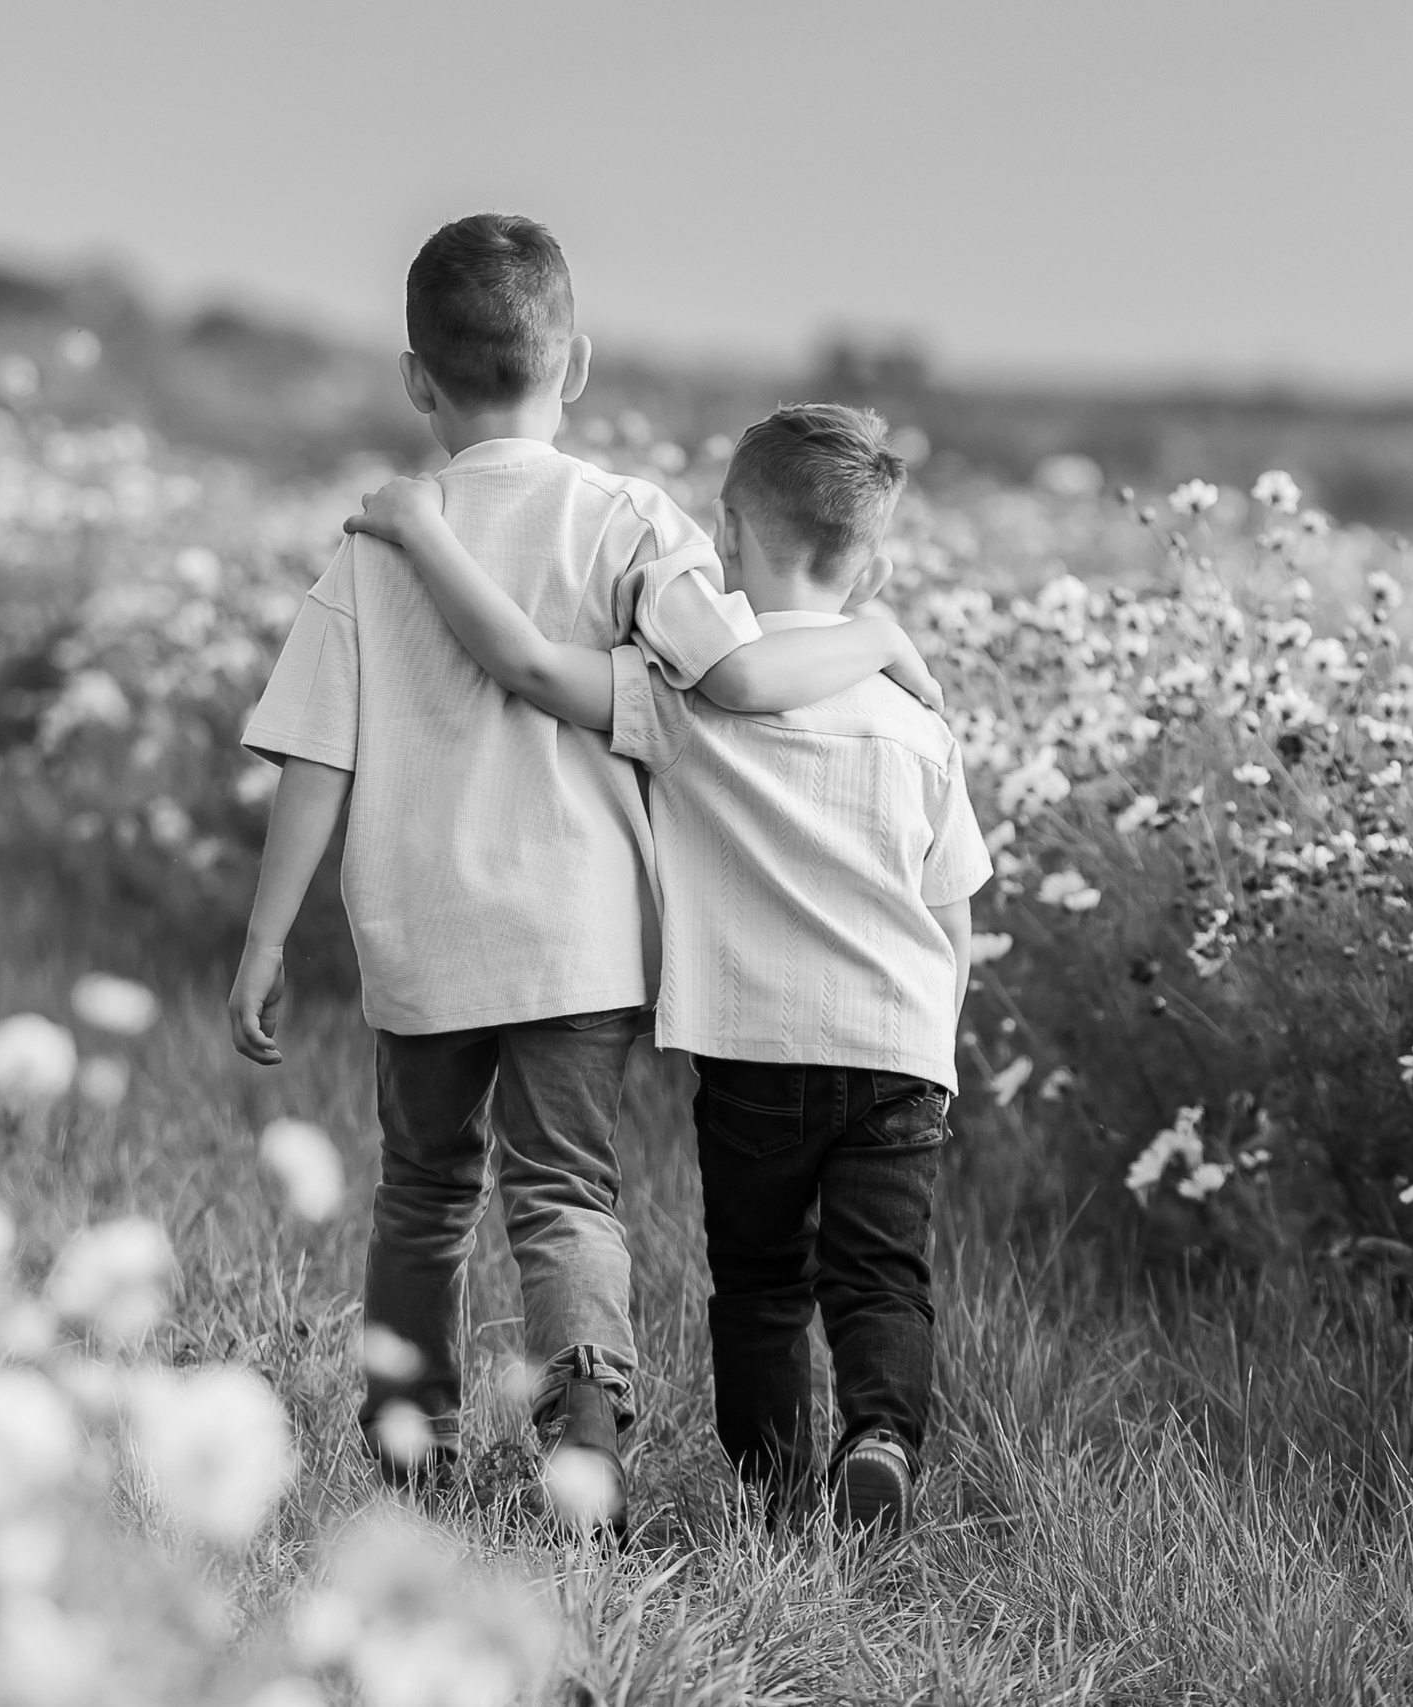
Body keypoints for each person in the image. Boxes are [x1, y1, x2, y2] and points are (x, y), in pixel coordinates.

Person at [229, 215, 939, 1532]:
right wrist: (878, 644)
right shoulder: (631, 520)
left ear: (416, 378)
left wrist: (266, 937)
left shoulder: (377, 540)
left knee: (426, 1190)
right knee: (565, 1188)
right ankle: (586, 1428)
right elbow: (740, 672)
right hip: (581, 936)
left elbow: (315, 755)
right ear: (581, 364)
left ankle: (410, 1437)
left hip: (421, 929)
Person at [344, 402, 989, 1534]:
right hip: (898, 1051)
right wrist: (938, 1051)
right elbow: (951, 909)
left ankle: (776, 1490)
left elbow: (534, 667)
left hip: (754, 1051)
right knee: (883, 1275)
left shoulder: (682, 698)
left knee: (759, 1284)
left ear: (727, 538)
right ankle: (880, 1433)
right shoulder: (913, 718)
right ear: (872, 564)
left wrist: (421, 532)